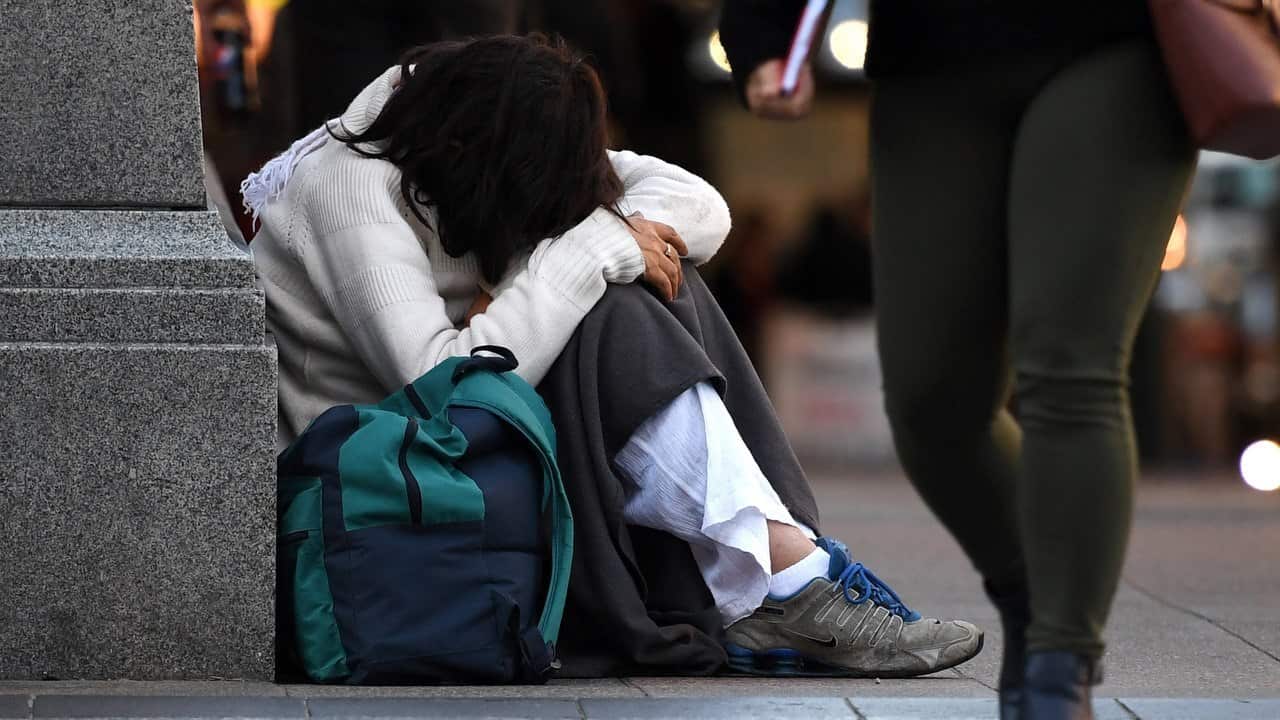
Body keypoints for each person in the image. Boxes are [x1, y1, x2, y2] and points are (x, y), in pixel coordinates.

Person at [245, 34, 983, 678]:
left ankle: (783, 570)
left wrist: (612, 232)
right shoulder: (352, 193)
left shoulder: (473, 137)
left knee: (654, 269)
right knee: (614, 293)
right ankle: (787, 578)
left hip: (476, 477)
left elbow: (700, 204)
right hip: (398, 497)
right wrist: (592, 249)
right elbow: (440, 384)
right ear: (476, 153)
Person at [720, 3, 1195, 718]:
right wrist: (764, 30)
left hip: (1119, 40)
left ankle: (1057, 675)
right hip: (933, 54)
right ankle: (1037, 601)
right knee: (933, 403)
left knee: (1069, 370)